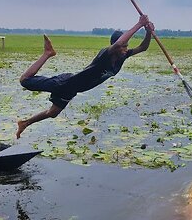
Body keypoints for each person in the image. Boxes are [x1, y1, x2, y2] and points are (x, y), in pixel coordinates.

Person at [16, 15, 154, 138]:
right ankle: (48, 53)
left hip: (73, 89)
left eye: (126, 47)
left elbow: (143, 47)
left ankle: (25, 123)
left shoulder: (122, 56)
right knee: (25, 81)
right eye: (123, 46)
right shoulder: (105, 54)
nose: (125, 49)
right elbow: (118, 43)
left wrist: (148, 32)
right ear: (114, 47)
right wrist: (139, 24)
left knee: (52, 113)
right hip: (66, 83)